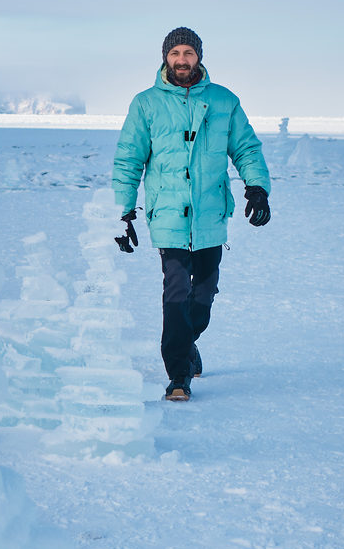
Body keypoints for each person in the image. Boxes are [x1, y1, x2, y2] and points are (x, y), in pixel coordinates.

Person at [111, 27, 270, 402]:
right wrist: (124, 211)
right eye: (175, 53)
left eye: (189, 53)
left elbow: (246, 148)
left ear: (199, 56)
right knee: (177, 291)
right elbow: (128, 159)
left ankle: (187, 342)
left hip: (211, 216)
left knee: (203, 296)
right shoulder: (146, 104)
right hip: (167, 214)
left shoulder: (224, 101)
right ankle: (179, 375)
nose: (182, 60)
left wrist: (257, 187)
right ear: (165, 57)